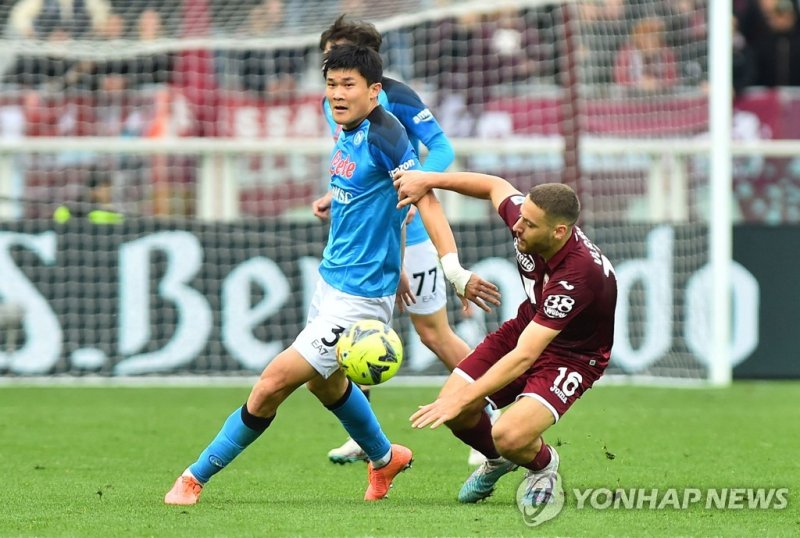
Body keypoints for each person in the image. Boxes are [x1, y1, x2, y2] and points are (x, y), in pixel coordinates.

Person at [164, 44, 499, 506]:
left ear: (374, 91)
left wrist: (453, 269)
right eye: (331, 83)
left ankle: (192, 479)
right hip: (331, 281)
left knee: (271, 385)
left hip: (360, 298)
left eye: (348, 85)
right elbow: (376, 204)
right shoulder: (347, 128)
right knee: (325, 382)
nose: (337, 94)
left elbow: (423, 199)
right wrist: (391, 255)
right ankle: (385, 459)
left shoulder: (387, 136)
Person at [312, 14, 497, 466]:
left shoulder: (395, 98)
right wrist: (336, 197)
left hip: (411, 231)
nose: (331, 71)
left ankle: (492, 410)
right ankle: (366, 435)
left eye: (338, 56)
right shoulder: (332, 100)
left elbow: (444, 149)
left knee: (433, 333)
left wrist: (416, 188)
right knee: (355, 335)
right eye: (327, 61)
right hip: (371, 233)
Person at [394, 170, 617, 509]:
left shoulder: (578, 275)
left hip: (573, 356)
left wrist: (465, 397)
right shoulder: (527, 218)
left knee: (508, 434)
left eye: (528, 224)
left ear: (559, 232)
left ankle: (544, 468)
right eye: (520, 217)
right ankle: (497, 460)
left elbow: (525, 357)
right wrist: (430, 179)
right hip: (527, 325)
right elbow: (494, 186)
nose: (517, 226)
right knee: (457, 412)